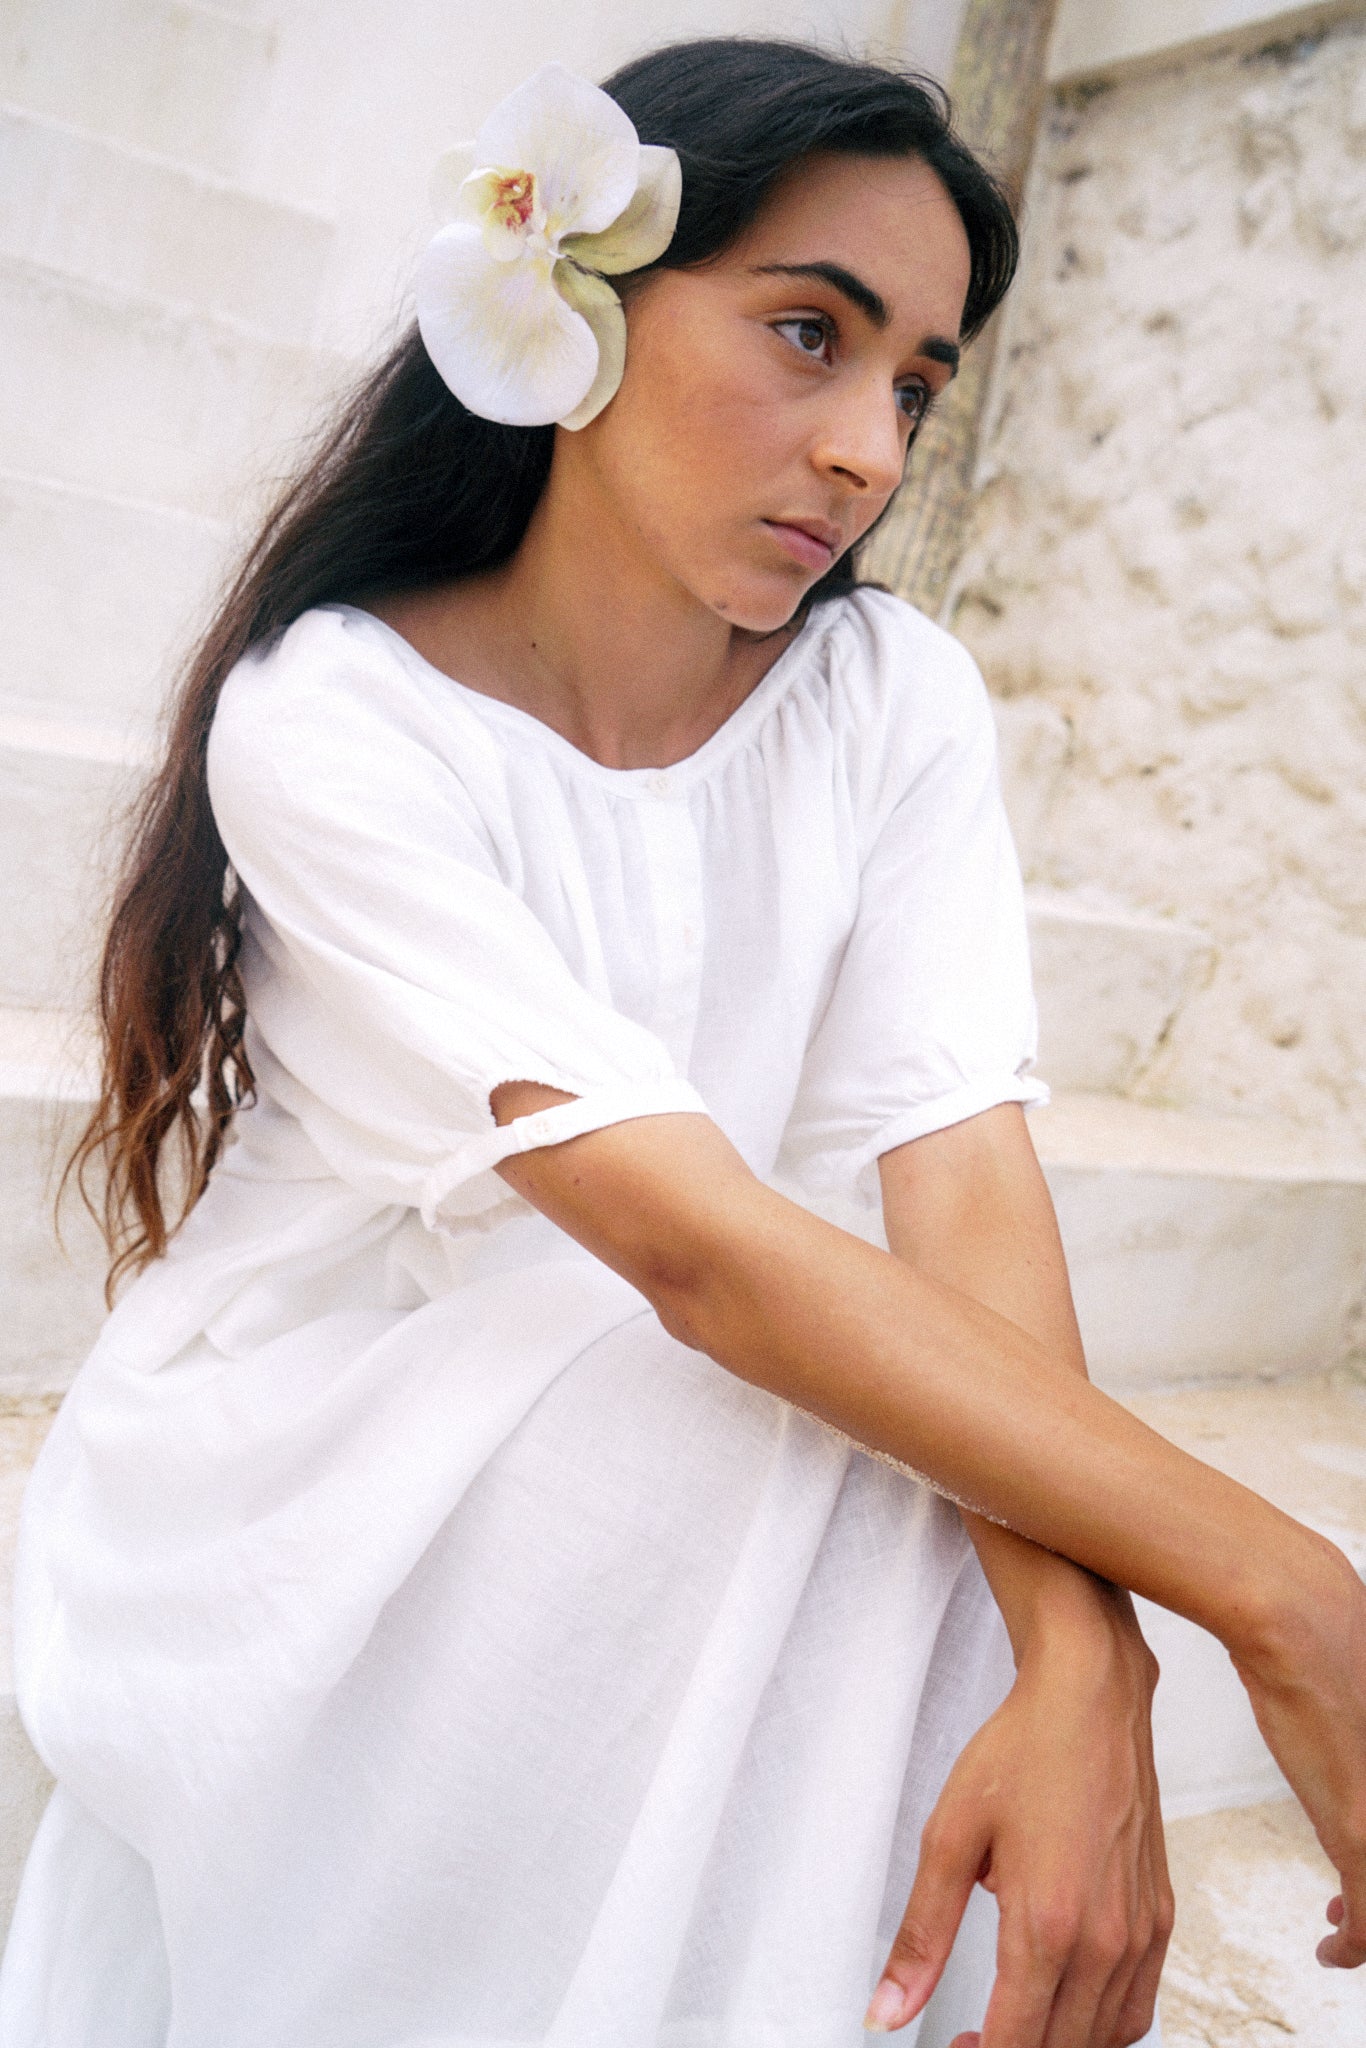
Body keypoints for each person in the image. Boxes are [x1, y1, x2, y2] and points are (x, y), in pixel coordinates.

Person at [1, 37, 1362, 2048]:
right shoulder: (336, 715)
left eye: (910, 382)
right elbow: (690, 1247)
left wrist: (1085, 1656)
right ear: (571, 319)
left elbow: (956, 1161)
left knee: (877, 1439)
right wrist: (1276, 1584)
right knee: (767, 1413)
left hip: (655, 1340)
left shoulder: (885, 695)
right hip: (325, 1442)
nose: (864, 453)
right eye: (802, 334)